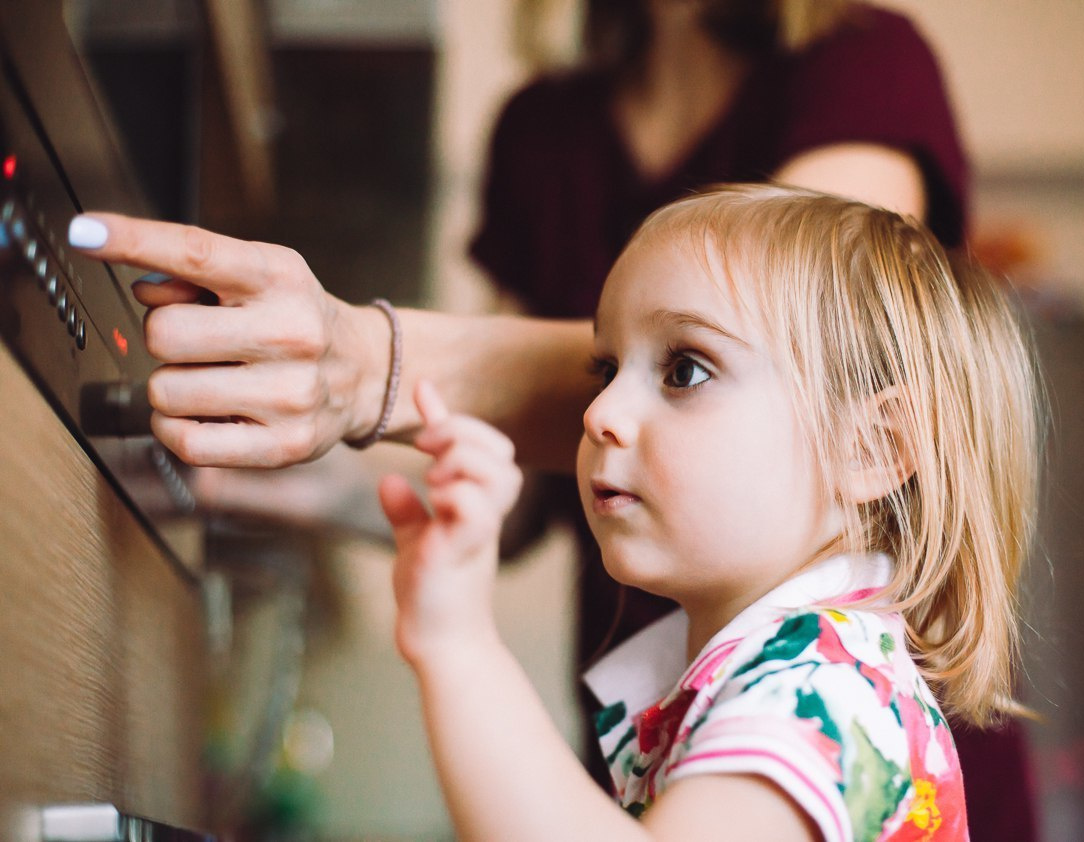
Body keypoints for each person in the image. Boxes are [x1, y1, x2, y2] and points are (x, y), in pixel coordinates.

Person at [374, 185, 1040, 840]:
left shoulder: (825, 693)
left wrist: (457, 642)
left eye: (684, 371)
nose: (598, 413)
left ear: (870, 448)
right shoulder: (789, 670)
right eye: (605, 370)